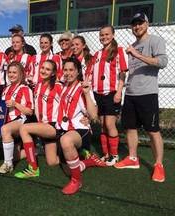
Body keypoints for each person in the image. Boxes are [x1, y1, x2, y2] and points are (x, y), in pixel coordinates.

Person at [14, 59, 106, 179]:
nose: (44, 71)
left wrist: (88, 116)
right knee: (53, 162)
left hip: (54, 125)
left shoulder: (58, 86)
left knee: (24, 129)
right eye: (43, 68)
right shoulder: (40, 86)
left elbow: (86, 106)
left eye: (48, 69)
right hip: (49, 126)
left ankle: (33, 168)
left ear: (54, 73)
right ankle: (88, 159)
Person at [114, 13, 168, 183]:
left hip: (148, 93)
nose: (137, 26)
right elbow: (126, 70)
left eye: (140, 23)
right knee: (130, 128)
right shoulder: (131, 46)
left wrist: (136, 55)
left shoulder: (155, 41)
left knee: (153, 131)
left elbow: (162, 62)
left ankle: (158, 165)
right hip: (130, 94)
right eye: (134, 24)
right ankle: (132, 158)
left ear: (147, 24)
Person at [56, 58, 98, 195]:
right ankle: (89, 161)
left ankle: (76, 182)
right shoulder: (64, 86)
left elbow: (93, 114)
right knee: (66, 167)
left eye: (71, 70)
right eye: (65, 70)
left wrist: (86, 92)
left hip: (80, 130)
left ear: (78, 71)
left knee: (66, 141)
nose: (68, 73)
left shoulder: (83, 88)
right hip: (64, 128)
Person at [91, 24, 128, 166]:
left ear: (113, 35)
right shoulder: (97, 54)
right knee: (102, 125)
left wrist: (119, 92)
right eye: (101, 35)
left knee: (109, 124)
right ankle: (106, 154)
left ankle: (115, 155)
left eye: (107, 34)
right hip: (98, 93)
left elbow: (122, 73)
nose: (104, 37)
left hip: (111, 92)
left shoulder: (119, 51)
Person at [0, 62, 34, 174]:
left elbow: (30, 111)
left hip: (21, 120)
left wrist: (16, 104)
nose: (11, 75)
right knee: (15, 156)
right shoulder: (6, 89)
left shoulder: (25, 89)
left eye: (14, 72)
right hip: (9, 122)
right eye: (9, 72)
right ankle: (35, 150)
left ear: (21, 74)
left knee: (5, 129)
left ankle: (8, 165)